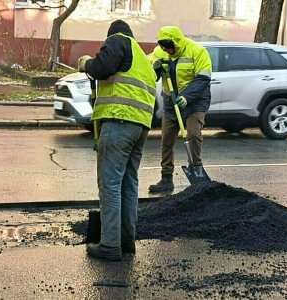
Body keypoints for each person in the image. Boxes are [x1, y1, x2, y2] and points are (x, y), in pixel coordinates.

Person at [77, 20, 157, 261]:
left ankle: (110, 245)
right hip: (140, 127)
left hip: (119, 122)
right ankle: (126, 241)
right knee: (129, 183)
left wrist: (86, 64)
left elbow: (102, 67)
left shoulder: (118, 40)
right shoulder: (143, 58)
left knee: (110, 184)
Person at [148, 26, 212, 193]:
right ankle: (166, 178)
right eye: (164, 47)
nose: (167, 51)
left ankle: (196, 168)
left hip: (194, 102)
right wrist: (155, 69)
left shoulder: (197, 51)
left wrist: (186, 97)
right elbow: (150, 76)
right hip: (171, 103)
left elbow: (203, 79)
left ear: (177, 43)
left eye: (170, 47)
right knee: (166, 140)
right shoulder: (159, 52)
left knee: (192, 133)